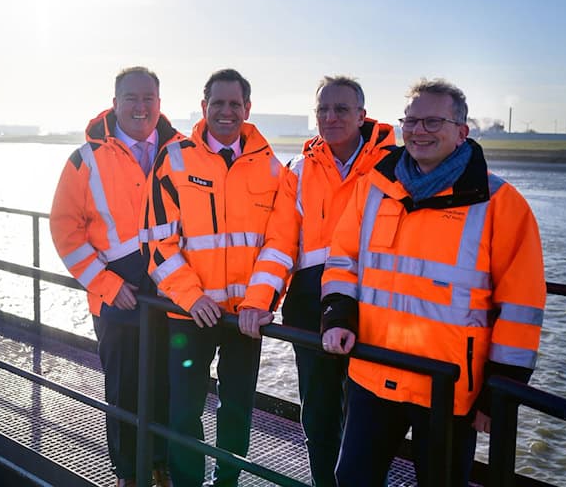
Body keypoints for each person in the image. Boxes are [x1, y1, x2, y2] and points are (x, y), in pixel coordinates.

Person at [321, 78, 546, 486]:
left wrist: (501, 391)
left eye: (432, 121)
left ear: (462, 132)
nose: (418, 130)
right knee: (351, 478)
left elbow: (522, 305)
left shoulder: (500, 204)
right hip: (374, 373)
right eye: (411, 120)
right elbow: (342, 259)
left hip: (449, 388)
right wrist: (338, 313)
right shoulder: (374, 188)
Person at [142, 68, 299, 486]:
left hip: (244, 320)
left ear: (247, 109)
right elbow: (157, 242)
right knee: (183, 410)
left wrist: (258, 302)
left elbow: (281, 244)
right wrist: (192, 297)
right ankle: (188, 482)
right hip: (189, 315)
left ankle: (227, 480)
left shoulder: (272, 169)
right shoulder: (174, 160)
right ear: (203, 106)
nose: (226, 111)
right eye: (218, 103)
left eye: (235, 104)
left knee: (236, 410)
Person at [50, 66, 183, 487]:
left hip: (172, 286)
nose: (140, 107)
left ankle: (160, 464)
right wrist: (107, 285)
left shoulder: (181, 152)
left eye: (148, 98)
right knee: (124, 387)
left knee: (168, 381)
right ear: (115, 102)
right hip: (118, 291)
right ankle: (128, 472)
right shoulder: (84, 158)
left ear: (160, 103)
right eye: (131, 98)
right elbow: (64, 230)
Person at [281, 76, 395, 486]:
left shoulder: (394, 167)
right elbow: (280, 244)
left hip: (371, 312)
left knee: (365, 420)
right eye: (322, 110)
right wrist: (261, 300)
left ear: (362, 115)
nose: (330, 118)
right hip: (309, 311)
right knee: (318, 414)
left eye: (342, 109)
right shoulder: (296, 168)